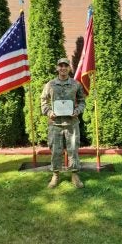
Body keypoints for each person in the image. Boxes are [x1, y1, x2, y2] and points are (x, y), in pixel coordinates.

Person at [41, 58, 86, 188]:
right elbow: (43, 101)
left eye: (66, 66)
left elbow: (82, 101)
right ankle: (55, 175)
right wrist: (49, 112)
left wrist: (77, 110)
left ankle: (75, 175)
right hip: (55, 123)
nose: (63, 68)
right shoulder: (50, 85)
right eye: (60, 66)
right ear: (57, 68)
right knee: (55, 150)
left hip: (72, 122)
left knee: (73, 149)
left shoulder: (76, 84)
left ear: (69, 68)